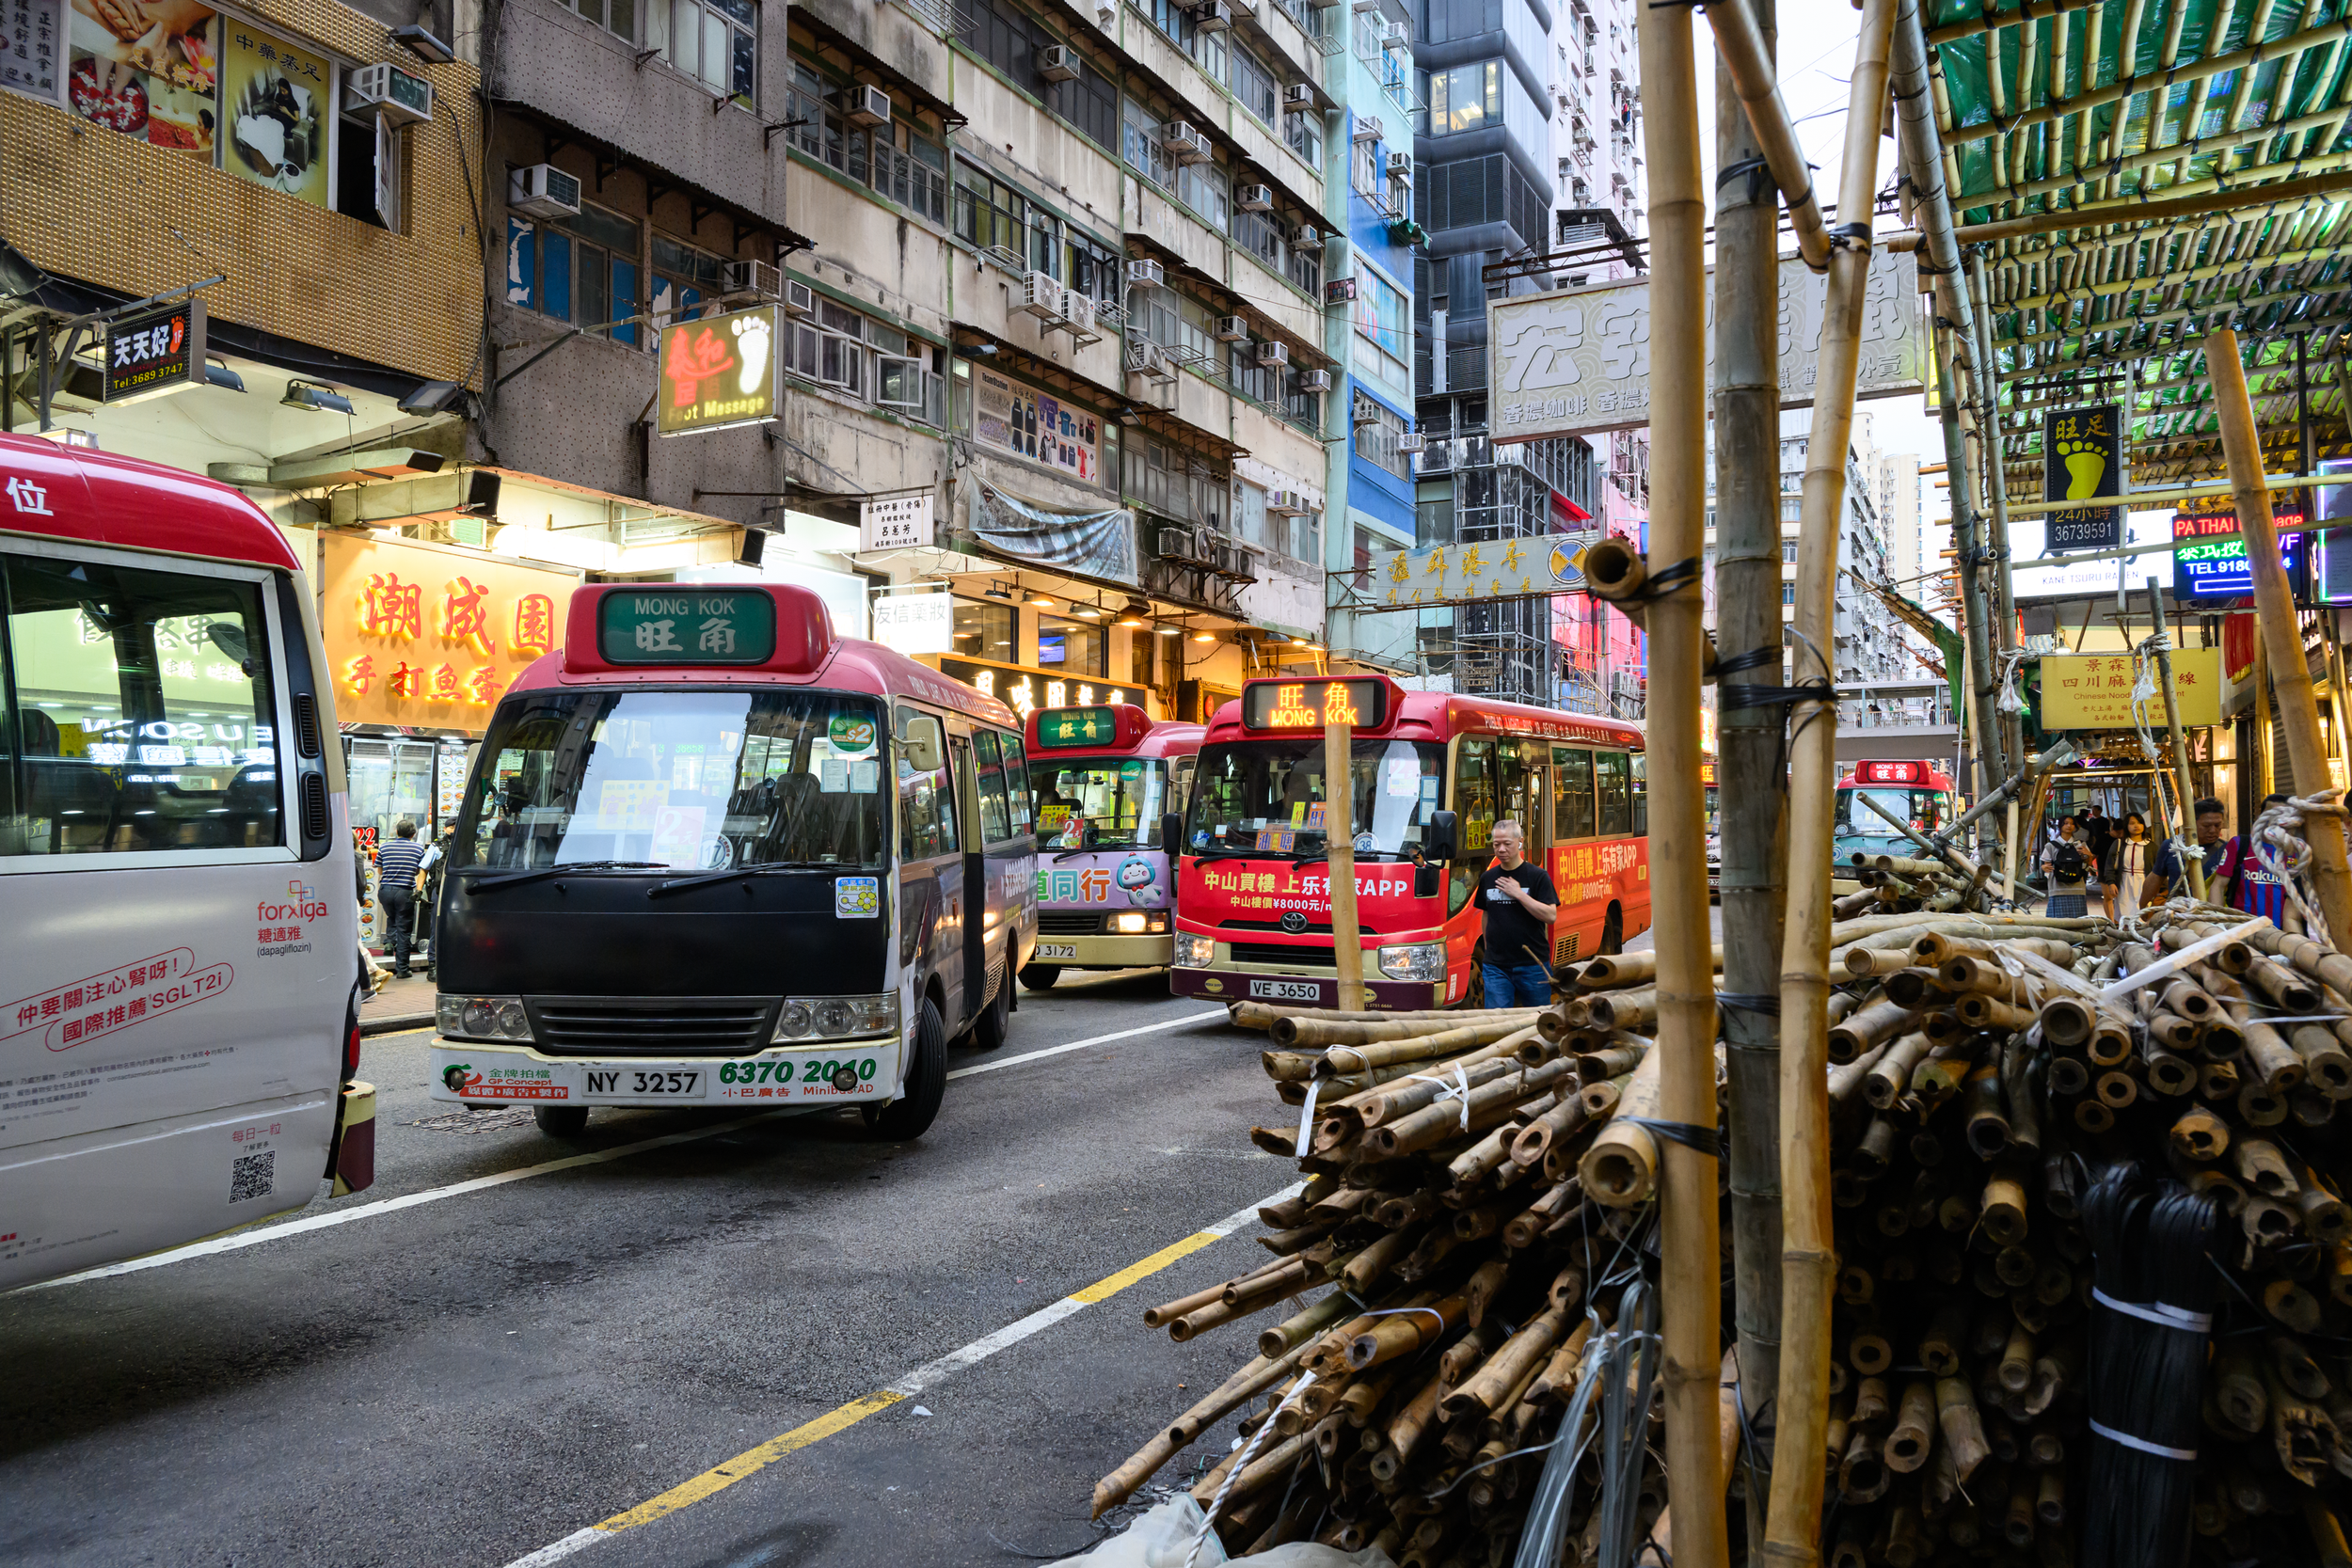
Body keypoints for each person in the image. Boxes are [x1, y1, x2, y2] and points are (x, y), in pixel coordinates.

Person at [1477, 818, 1560, 1006]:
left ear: (1520, 842)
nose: (1501, 849)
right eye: (1496, 844)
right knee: (1496, 1022)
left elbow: (1551, 916)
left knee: (1537, 1020)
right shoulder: (1488, 878)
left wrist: (1519, 895)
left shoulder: (1537, 876)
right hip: (1496, 966)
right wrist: (1488, 948)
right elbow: (1486, 914)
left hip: (1533, 964)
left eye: (1507, 844)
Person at [2214, 793, 2295, 922]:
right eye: (2270, 814)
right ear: (2260, 817)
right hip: (2242, 929)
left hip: (2283, 933)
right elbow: (2218, 885)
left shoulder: (2296, 851)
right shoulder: (2240, 844)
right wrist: (2217, 924)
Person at [2143, 798, 2229, 906]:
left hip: (2213, 915)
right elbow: (2155, 878)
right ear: (2192, 822)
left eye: (2217, 825)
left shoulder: (2228, 850)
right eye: (2206, 826)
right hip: (2178, 913)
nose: (2213, 830)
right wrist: (2143, 909)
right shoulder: (2172, 847)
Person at [374, 818, 428, 978]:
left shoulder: (384, 847)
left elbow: (379, 871)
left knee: (392, 916)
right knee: (404, 929)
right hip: (404, 891)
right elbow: (420, 871)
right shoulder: (418, 848)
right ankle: (402, 969)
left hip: (385, 891)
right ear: (413, 834)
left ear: (396, 832)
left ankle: (389, 942)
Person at [2101, 811, 2153, 924]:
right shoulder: (2120, 844)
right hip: (2124, 882)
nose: (2136, 826)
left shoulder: (2151, 846)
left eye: (2139, 823)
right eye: (2132, 823)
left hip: (2144, 882)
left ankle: (2141, 935)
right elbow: (2109, 864)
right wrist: (2111, 883)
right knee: (2125, 912)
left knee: (2143, 911)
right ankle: (2126, 934)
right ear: (2126, 827)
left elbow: (2157, 868)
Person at [2040, 814, 2092, 918]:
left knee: (2077, 921)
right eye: (2066, 823)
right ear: (2060, 826)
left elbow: (2088, 865)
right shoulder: (2051, 845)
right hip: (2057, 887)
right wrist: (2044, 868)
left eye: (2072, 824)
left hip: (2077, 887)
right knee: (2059, 922)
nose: (2069, 826)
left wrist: (2089, 855)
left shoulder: (2080, 845)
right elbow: (2046, 864)